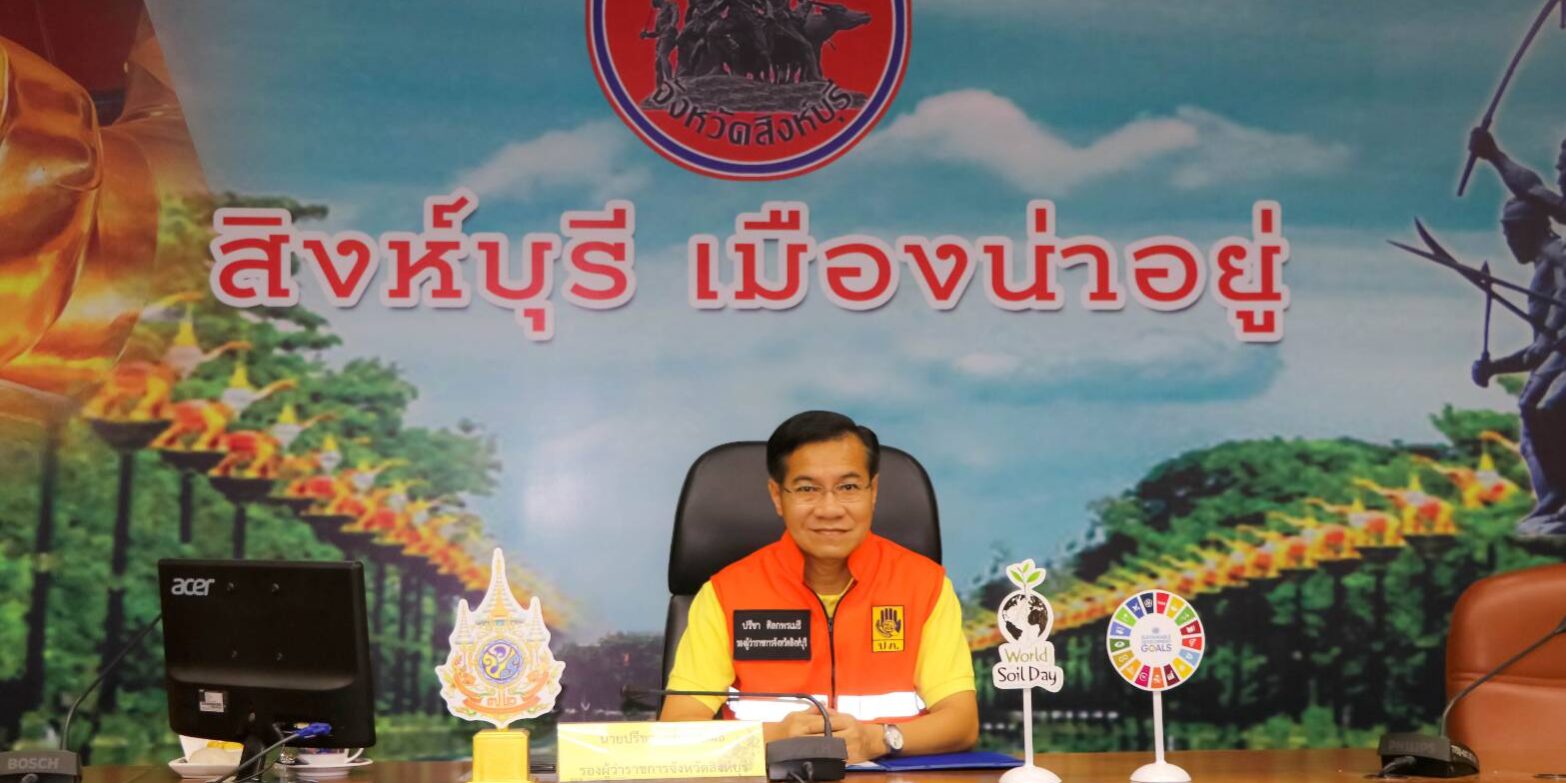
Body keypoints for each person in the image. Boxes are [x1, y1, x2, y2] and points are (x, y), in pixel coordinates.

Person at [659, 411, 979, 763]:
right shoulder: (726, 594)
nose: (829, 509)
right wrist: (773, 738)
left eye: (848, 487)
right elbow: (677, 728)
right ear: (777, 496)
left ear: (873, 492)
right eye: (807, 489)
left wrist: (879, 738)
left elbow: (961, 722)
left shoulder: (924, 585)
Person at [1471, 199, 1566, 535]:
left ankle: (1558, 500)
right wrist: (1495, 367)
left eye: (1512, 232)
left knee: (1541, 409)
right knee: (1529, 440)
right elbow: (1537, 352)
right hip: (1557, 353)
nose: (1509, 242)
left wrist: (1550, 333)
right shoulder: (1542, 265)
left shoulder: (1556, 252)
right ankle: (1552, 505)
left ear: (1530, 228)